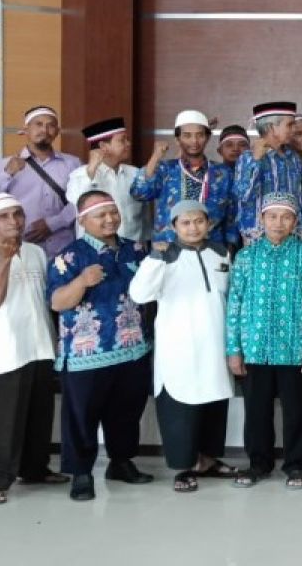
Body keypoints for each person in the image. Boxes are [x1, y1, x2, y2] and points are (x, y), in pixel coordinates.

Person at [47, 191, 152, 502]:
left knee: (126, 412)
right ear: (83, 221)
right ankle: (81, 473)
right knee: (81, 416)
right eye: (100, 215)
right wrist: (81, 282)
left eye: (112, 212)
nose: (109, 220)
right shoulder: (69, 257)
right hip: (87, 354)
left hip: (132, 347)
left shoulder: (136, 250)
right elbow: (56, 302)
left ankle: (121, 463)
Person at [128, 200, 236, 493]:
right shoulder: (164, 257)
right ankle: (183, 467)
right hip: (179, 346)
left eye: (198, 221)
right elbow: (139, 294)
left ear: (209, 223)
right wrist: (154, 259)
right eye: (185, 223)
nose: (193, 228)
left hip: (215, 342)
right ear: (173, 226)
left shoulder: (221, 252)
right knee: (180, 406)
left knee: (214, 402)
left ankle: (209, 460)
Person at [225, 193, 302, 490]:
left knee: (297, 411)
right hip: (255, 349)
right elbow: (235, 303)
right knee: (256, 412)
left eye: (285, 217)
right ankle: (259, 463)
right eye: (272, 216)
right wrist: (234, 349)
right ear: (262, 219)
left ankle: (296, 465)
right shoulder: (246, 257)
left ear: (295, 221)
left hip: (296, 349)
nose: (278, 223)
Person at [0, 194, 64, 506]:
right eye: (3, 217)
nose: (13, 222)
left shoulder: (35, 253)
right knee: (4, 419)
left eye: (17, 214)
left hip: (39, 342)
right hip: (7, 347)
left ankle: (34, 468)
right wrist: (4, 260)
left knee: (39, 412)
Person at [131, 110, 238, 248]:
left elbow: (232, 213)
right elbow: (139, 193)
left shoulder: (222, 172)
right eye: (187, 136)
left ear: (207, 137)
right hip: (168, 246)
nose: (194, 141)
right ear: (177, 139)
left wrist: (230, 246)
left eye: (199, 135)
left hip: (211, 246)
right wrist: (155, 157)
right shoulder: (165, 169)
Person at [0, 106, 80, 257]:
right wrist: (7, 174)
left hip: (63, 249)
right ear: (25, 129)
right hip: (21, 248)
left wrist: (53, 224)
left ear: (57, 131)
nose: (45, 130)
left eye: (50, 125)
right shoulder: (4, 165)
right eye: (38, 124)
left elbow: (82, 201)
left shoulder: (73, 164)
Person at [234, 101, 302, 244]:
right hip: (259, 239)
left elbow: (301, 198)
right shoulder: (248, 157)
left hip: (293, 237)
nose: (293, 129)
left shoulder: (293, 157)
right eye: (289, 125)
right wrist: (255, 161)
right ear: (271, 127)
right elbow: (243, 195)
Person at [66, 117, 149, 243]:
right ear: (103, 146)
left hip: (133, 250)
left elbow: (145, 216)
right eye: (122, 140)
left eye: (127, 139)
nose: (128, 144)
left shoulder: (135, 173)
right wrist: (92, 169)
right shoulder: (80, 174)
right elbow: (76, 202)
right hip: (95, 251)